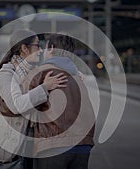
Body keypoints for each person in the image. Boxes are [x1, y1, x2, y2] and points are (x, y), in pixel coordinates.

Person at [0, 30, 68, 169]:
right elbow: (16, 105)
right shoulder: (7, 73)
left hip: (28, 149)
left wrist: (73, 73)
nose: (41, 50)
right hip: (10, 154)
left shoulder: (33, 70)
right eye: (37, 45)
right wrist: (44, 87)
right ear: (24, 48)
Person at [23, 33, 95, 169]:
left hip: (53, 146)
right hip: (83, 144)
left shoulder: (43, 72)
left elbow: (20, 104)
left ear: (50, 48)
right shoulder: (78, 76)